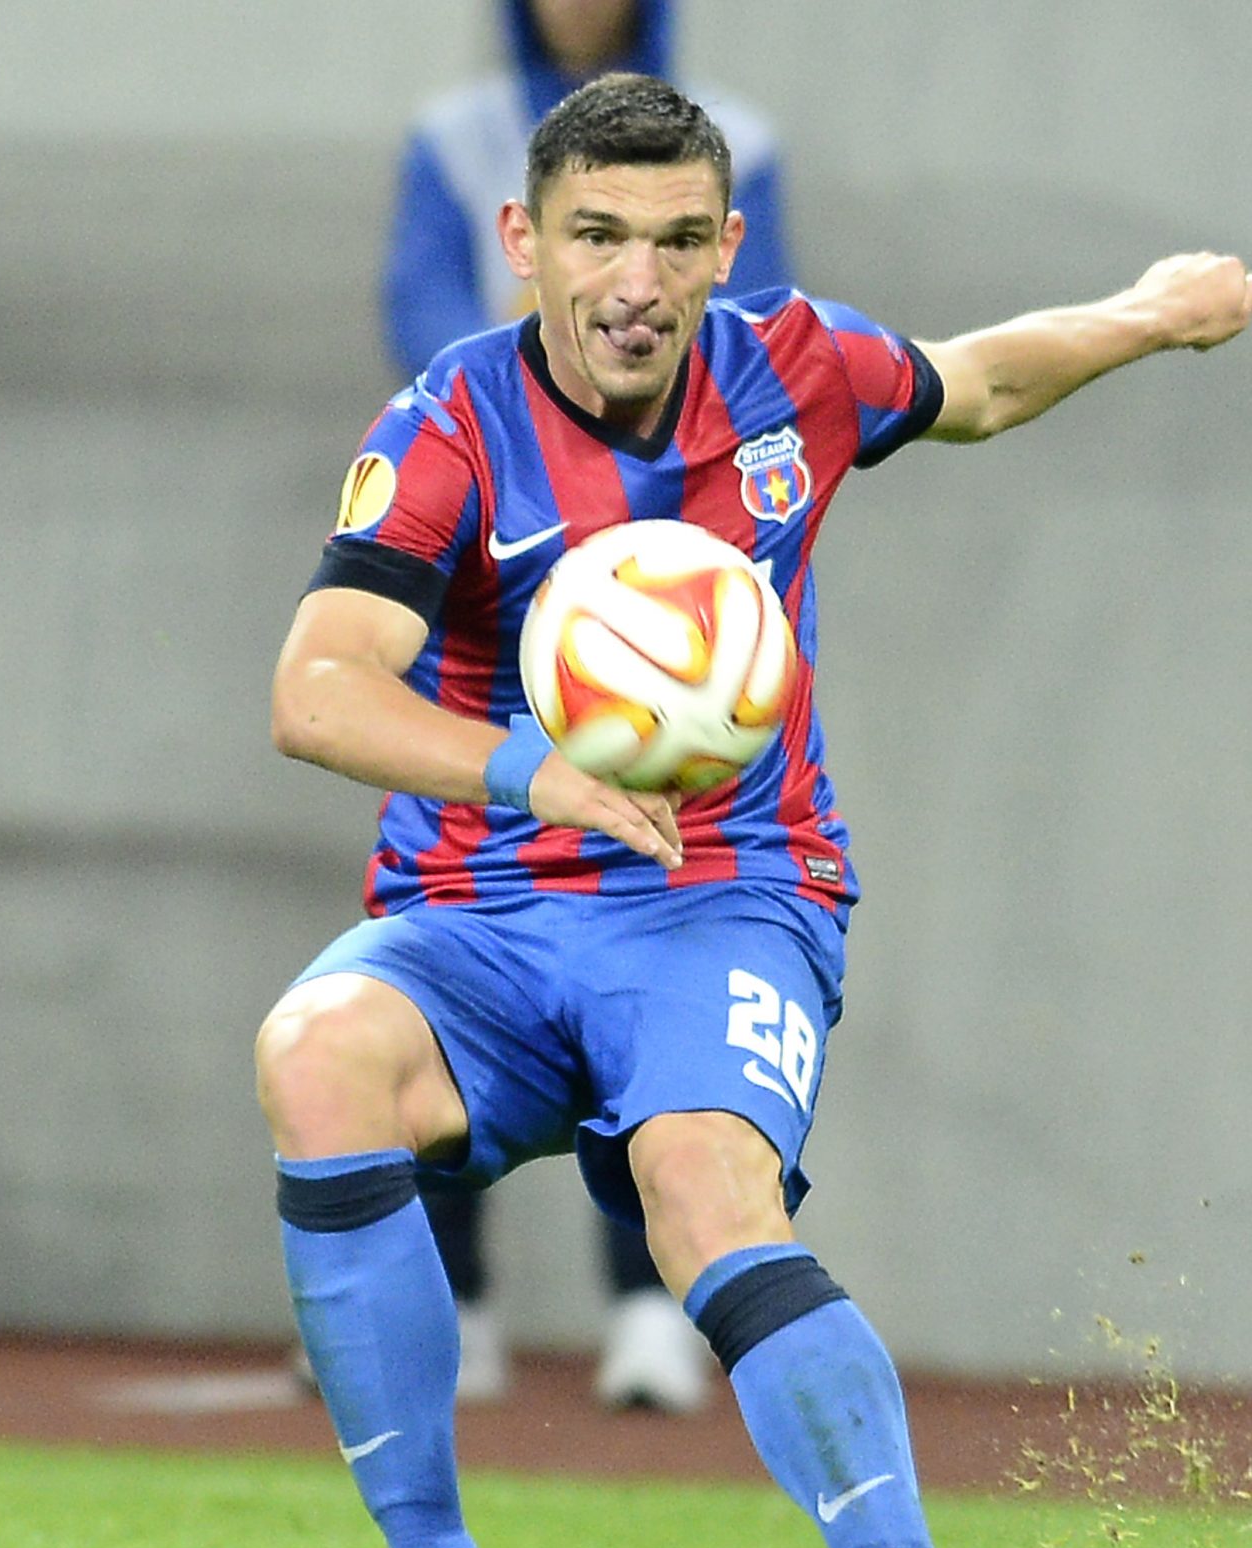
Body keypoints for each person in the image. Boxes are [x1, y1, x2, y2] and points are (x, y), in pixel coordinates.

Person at [257, 74, 1252, 1548]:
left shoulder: (795, 368)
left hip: (725, 897)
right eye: (595, 235)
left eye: (674, 241)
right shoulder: (446, 426)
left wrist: (1147, 316)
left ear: (726, 247)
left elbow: (983, 382)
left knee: (705, 1186)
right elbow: (316, 693)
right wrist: (535, 773)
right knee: (314, 1055)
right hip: (479, 918)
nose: (633, 282)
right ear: (523, 240)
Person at [380, 0, 797, 1412]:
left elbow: (759, 343)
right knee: (452, 936)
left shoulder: (738, 139)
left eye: (671, 238)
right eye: (595, 232)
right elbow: (418, 318)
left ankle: (648, 1305)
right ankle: (456, 1304)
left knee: (654, 955)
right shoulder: (455, 137)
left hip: (665, 611)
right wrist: (532, 436)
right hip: (491, 587)